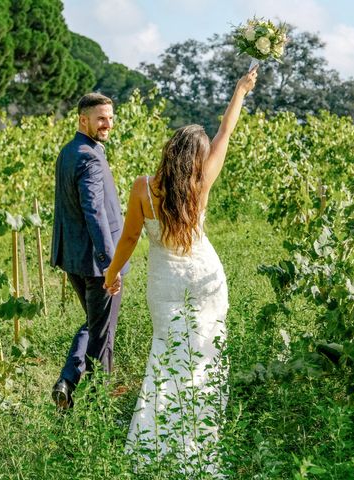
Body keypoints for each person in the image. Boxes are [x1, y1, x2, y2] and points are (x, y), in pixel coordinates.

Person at [103, 67, 258, 470]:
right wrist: (240, 90)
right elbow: (226, 131)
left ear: (170, 150)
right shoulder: (201, 182)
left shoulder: (143, 187)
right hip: (206, 276)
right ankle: (200, 434)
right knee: (204, 352)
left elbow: (130, 239)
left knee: (166, 354)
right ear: (198, 158)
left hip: (166, 282)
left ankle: (158, 439)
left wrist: (111, 273)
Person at [50, 92, 128, 409]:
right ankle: (96, 408)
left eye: (110, 117)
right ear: (83, 120)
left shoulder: (69, 152)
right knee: (102, 336)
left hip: (74, 259)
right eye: (101, 118)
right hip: (97, 265)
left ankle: (68, 381)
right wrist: (111, 266)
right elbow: (94, 212)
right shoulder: (89, 157)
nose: (107, 123)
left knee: (95, 324)